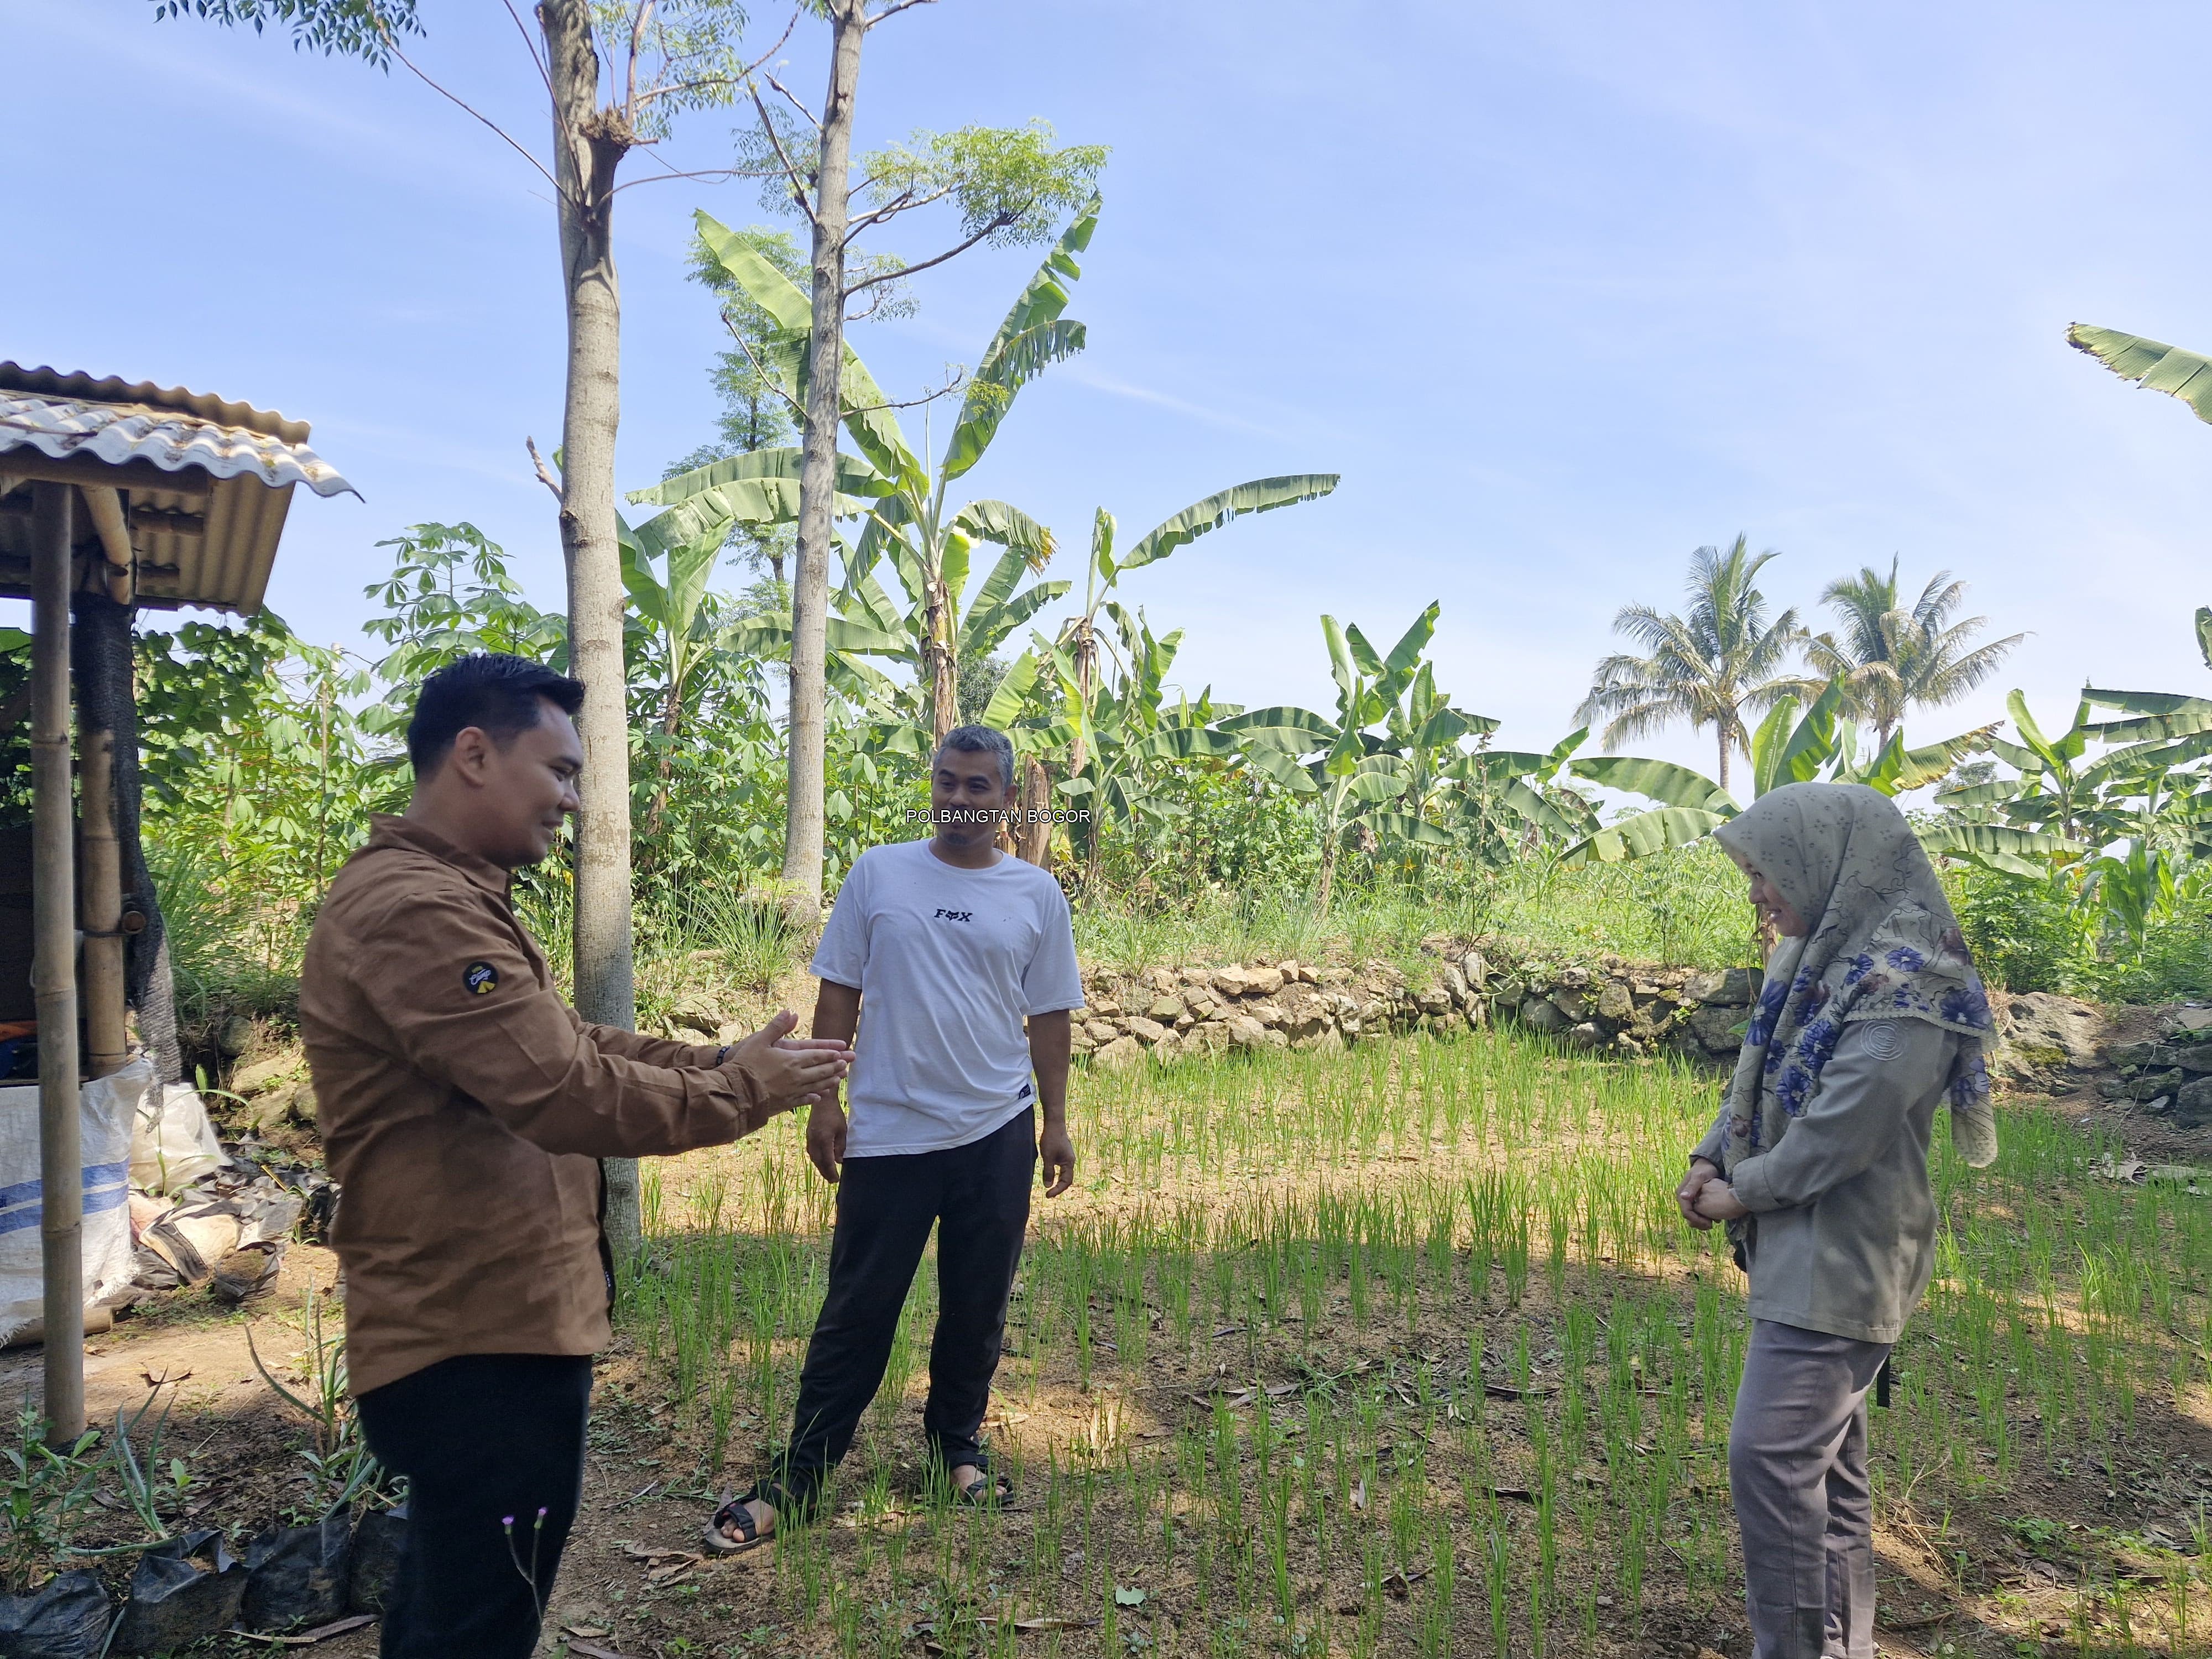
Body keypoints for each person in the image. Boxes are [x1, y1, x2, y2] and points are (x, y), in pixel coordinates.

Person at [299, 654, 851, 1658]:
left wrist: (721, 1060)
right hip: (474, 1342)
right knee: (477, 1626)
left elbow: (569, 1047)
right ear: (473, 753)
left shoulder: (457, 898)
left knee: (455, 1608)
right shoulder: (415, 912)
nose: (570, 799)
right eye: (557, 771)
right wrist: (741, 1092)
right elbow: (561, 1091)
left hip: (494, 1327)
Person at [705, 724, 1082, 1550]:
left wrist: (1056, 1121)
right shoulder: (879, 873)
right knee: (858, 1310)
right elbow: (838, 994)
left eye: (978, 786)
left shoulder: (1035, 895)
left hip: (996, 1130)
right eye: (946, 781)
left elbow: (1049, 1018)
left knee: (977, 1303)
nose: (958, 798)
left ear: (1009, 799)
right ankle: (801, 1476)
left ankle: (956, 1446)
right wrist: (824, 1103)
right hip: (890, 1133)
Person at [1674, 782, 1997, 1659]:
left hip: (1847, 1250)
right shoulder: (1815, 955)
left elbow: (1846, 1126)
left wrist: (1745, 1190)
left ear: (1826, 860)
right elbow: (1761, 1070)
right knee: (1827, 1470)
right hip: (1799, 1239)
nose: (1757, 893)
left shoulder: (1910, 976)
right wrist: (1713, 1155)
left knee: (1773, 1461)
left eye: (1765, 872)